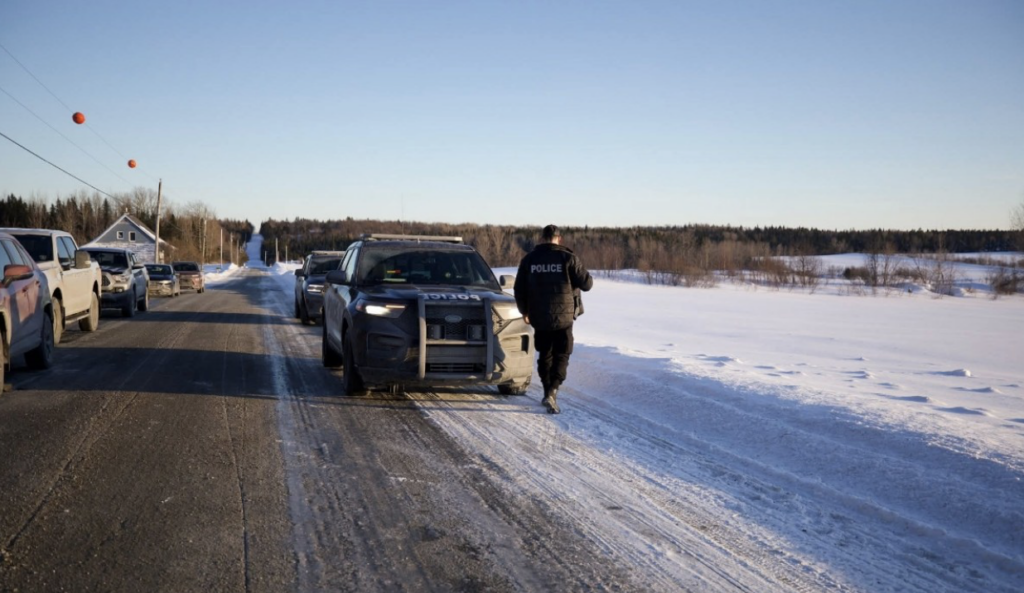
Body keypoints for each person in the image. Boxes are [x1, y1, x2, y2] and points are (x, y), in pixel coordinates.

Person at [514, 224, 593, 414]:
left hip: (539, 315)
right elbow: (587, 284)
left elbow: (519, 289)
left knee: (545, 354)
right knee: (562, 354)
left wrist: (524, 310)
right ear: (559, 239)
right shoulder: (568, 258)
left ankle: (546, 390)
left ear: (541, 238)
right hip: (564, 317)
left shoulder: (529, 260)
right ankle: (553, 389)